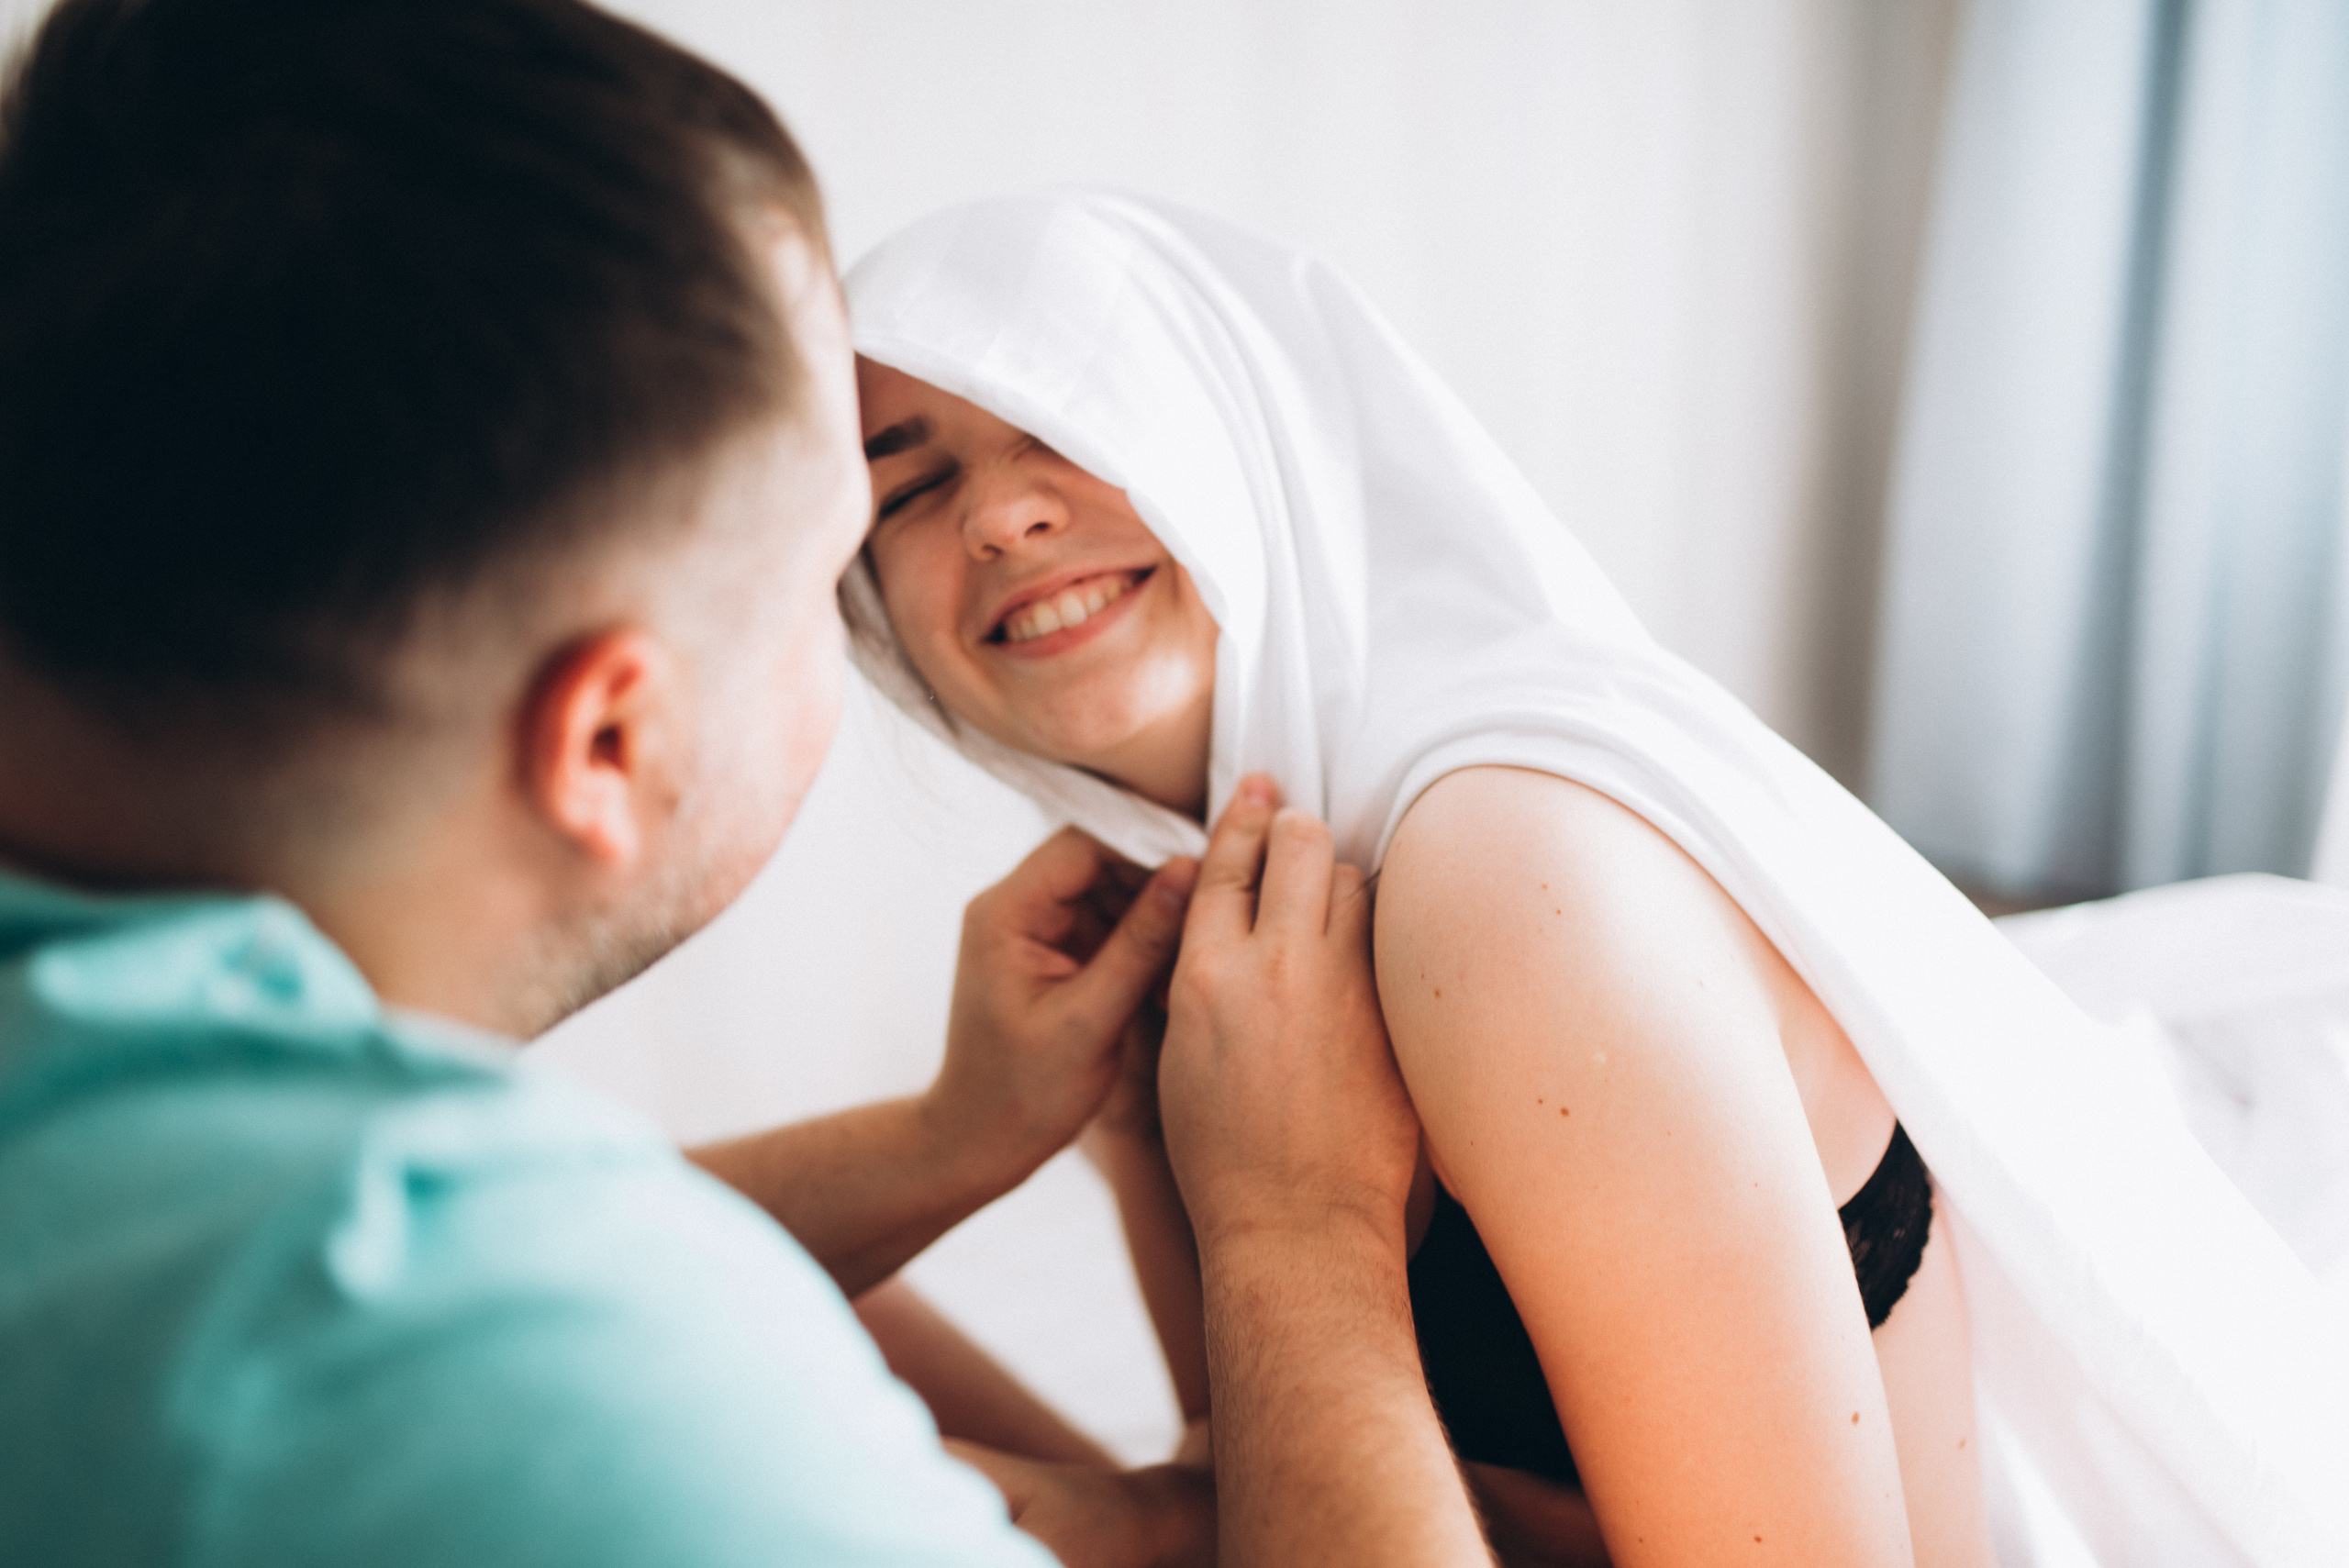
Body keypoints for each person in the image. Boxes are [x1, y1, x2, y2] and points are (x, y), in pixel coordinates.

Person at [0, 6, 1496, 1565]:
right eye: (842, 550)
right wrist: (1300, 1238)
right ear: (610, 742)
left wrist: (945, 1140)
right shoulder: (560, 1387)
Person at [841, 190, 2349, 1567]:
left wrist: (1161, 1516)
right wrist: (1124, 1169)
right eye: (905, 491)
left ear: (1240, 432)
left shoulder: (1509, 885)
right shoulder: (1184, 950)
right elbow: (1284, 1489)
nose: (999, 516)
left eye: (1065, 422)